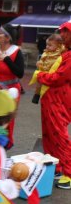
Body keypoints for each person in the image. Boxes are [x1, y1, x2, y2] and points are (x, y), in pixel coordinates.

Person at [36, 22, 71, 189]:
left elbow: (58, 78)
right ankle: (57, 166)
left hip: (59, 100)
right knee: (49, 135)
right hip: (49, 98)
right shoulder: (65, 53)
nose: (63, 35)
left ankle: (68, 173)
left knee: (59, 135)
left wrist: (40, 75)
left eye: (66, 32)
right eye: (62, 31)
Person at [31, 33, 64, 105]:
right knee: (39, 83)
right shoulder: (46, 52)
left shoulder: (60, 53)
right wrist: (39, 63)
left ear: (58, 45)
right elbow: (42, 59)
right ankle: (37, 95)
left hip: (52, 72)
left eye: (50, 45)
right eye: (47, 45)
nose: (47, 47)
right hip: (44, 70)